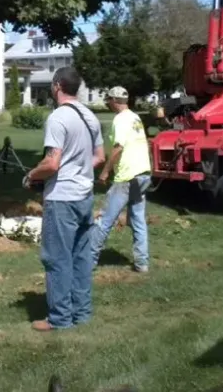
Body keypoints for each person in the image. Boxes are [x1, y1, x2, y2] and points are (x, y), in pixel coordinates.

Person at [26, 66, 105, 332]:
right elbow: (99, 158)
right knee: (81, 256)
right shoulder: (90, 116)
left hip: (62, 199)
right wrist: (80, 170)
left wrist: (32, 175)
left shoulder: (58, 117)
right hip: (85, 196)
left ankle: (59, 318)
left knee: (57, 258)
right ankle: (81, 313)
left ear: (57, 86)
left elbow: (52, 163)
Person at [92, 86, 152, 273]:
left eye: (108, 100)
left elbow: (118, 148)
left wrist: (105, 172)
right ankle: (142, 263)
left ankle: (88, 259)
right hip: (143, 174)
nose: (108, 103)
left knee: (105, 219)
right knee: (138, 220)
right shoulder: (135, 117)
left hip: (126, 176)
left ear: (114, 100)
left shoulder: (120, 120)